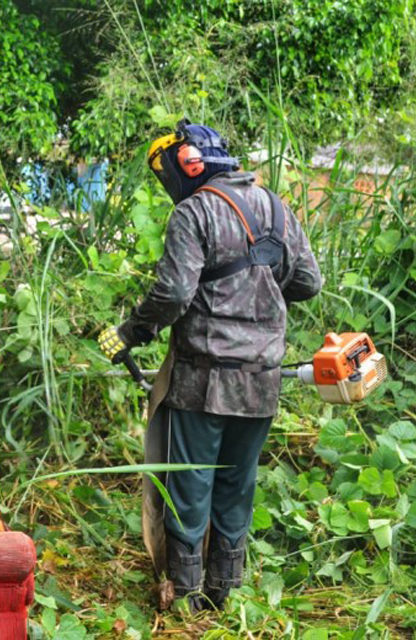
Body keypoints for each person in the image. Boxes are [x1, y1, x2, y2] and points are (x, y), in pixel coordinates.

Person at [98, 120, 322, 612]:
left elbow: (175, 293)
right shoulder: (276, 208)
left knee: (191, 482)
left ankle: (185, 597)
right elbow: (308, 281)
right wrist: (256, 293)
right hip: (262, 376)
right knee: (237, 483)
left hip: (203, 377)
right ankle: (228, 593)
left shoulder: (194, 212)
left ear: (189, 165)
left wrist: (131, 331)